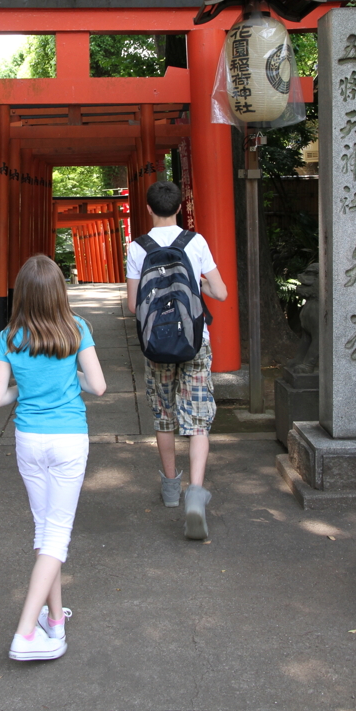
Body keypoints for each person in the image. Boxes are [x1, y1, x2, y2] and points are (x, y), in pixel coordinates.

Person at [0, 254, 106, 662]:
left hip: (29, 440)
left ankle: (54, 620)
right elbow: (100, 386)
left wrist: (25, 389)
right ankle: (24, 633)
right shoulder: (77, 329)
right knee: (55, 536)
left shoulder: (10, 336)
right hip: (69, 438)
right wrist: (69, 377)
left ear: (22, 293)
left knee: (45, 532)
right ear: (59, 292)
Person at [126, 180, 227, 540]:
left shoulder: (138, 247)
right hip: (195, 340)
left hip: (157, 344)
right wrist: (196, 283)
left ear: (149, 209)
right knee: (198, 418)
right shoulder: (195, 243)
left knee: (163, 413)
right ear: (179, 209)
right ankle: (195, 495)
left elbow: (132, 304)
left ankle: (170, 489)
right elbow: (221, 291)